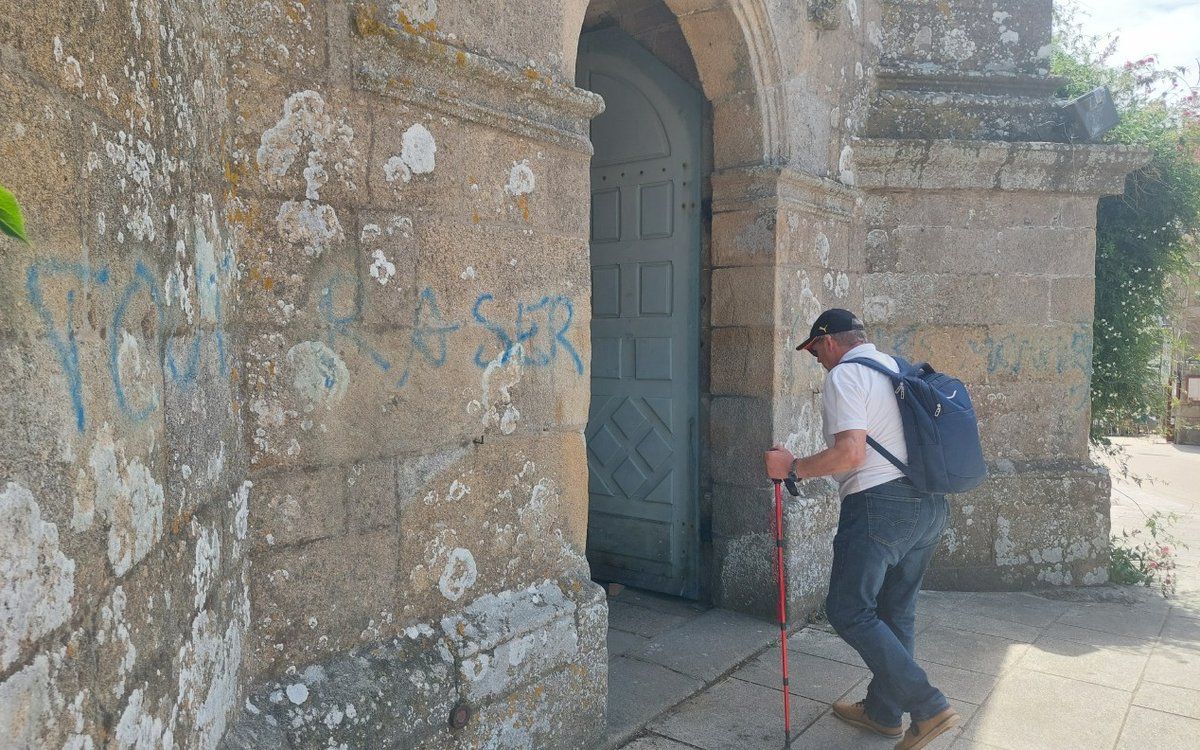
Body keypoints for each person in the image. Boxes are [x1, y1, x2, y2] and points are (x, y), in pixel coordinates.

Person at [764, 308, 959, 750]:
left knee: (849, 609)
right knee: (896, 612)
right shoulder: (895, 368)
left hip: (880, 507)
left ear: (830, 341)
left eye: (815, 349)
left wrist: (792, 468)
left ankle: (928, 706)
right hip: (928, 506)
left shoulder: (845, 376)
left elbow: (851, 454)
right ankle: (884, 713)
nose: (816, 359)